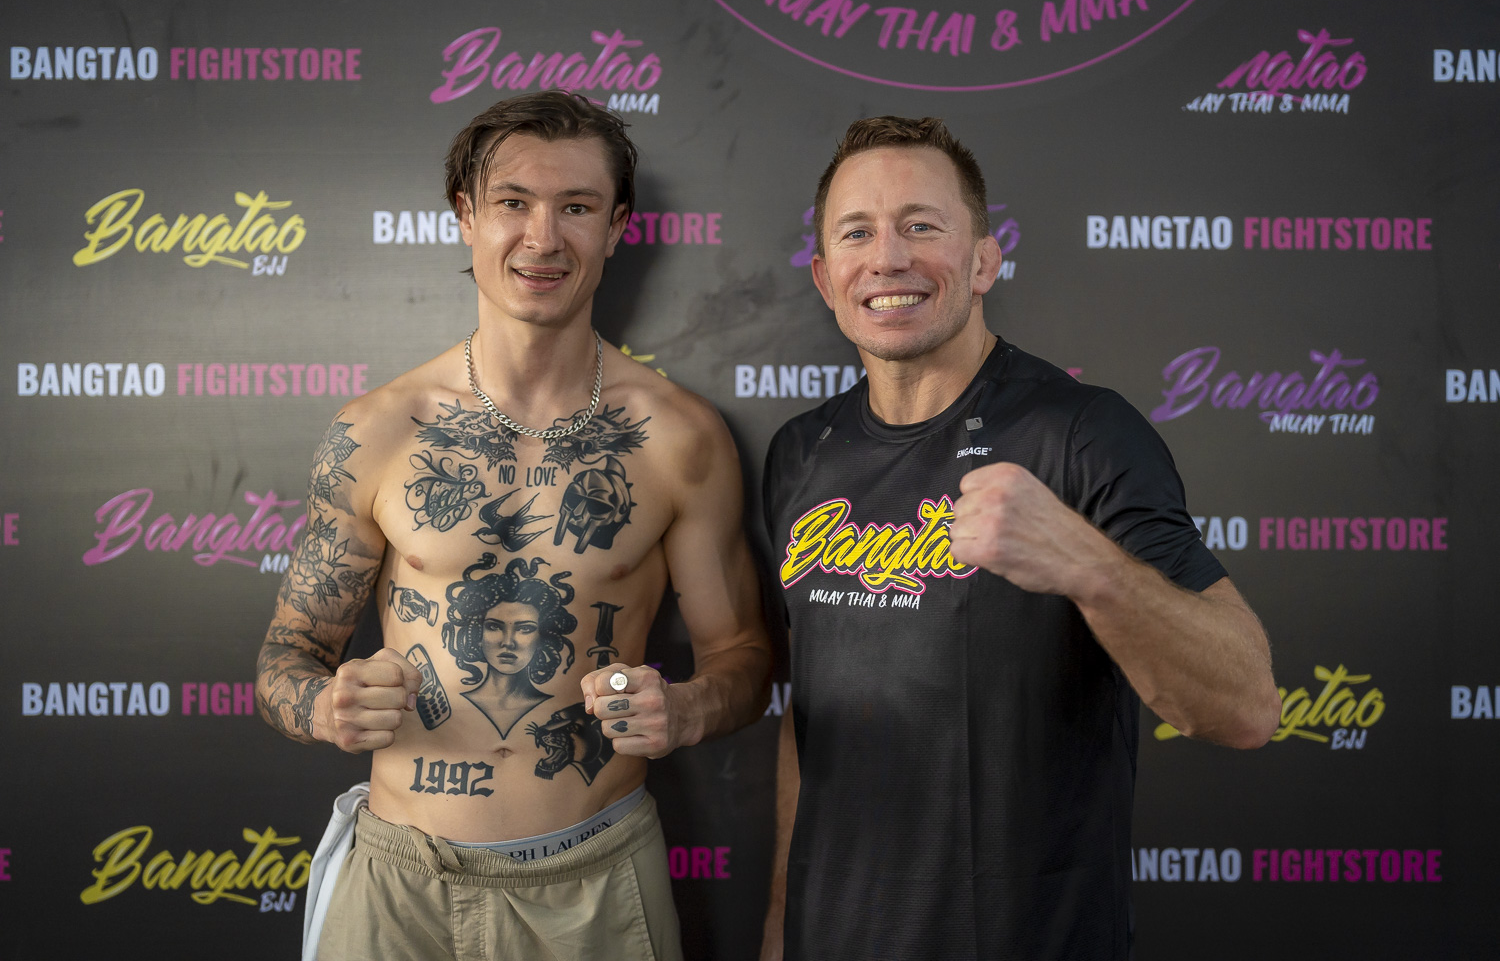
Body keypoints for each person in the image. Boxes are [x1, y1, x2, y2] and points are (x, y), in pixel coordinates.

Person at [255, 89, 771, 961]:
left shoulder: (679, 438)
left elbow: (746, 658)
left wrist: (685, 710)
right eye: (513, 203)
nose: (543, 238)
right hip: (397, 887)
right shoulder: (377, 431)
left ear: (617, 227)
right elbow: (286, 655)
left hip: (596, 881)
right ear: (466, 216)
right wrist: (324, 705)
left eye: (577, 207)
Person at [758, 116, 1282, 961]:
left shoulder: (1083, 434)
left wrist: (1089, 566)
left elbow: (1246, 707)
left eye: (921, 226)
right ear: (824, 277)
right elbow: (808, 721)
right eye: (857, 233)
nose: (887, 257)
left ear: (983, 262)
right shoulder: (799, 452)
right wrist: (782, 925)